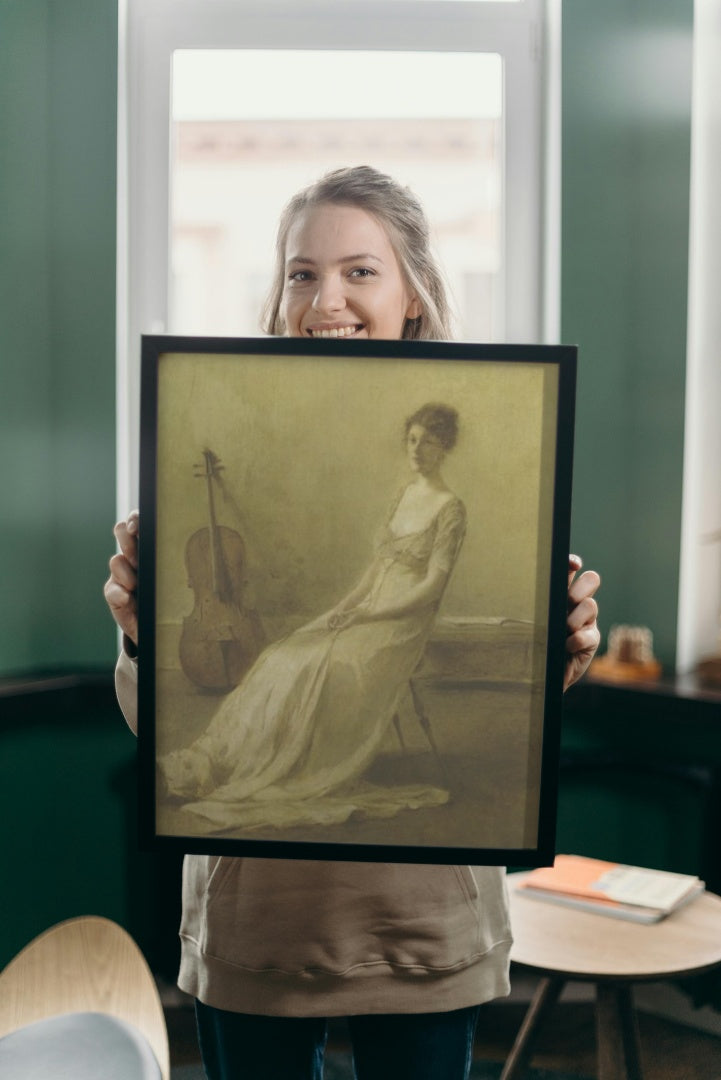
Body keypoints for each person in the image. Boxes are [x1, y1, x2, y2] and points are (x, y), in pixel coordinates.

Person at [105, 166, 601, 1080]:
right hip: (255, 922)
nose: (324, 298)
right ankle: (241, 763)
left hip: (420, 923)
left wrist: (561, 648)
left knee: (322, 664)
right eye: (301, 272)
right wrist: (138, 635)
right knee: (287, 659)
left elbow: (414, 598)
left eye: (359, 271)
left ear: (412, 292)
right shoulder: (202, 414)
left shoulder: (474, 468)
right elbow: (154, 715)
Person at [159, 401, 466, 833]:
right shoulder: (405, 494)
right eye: (412, 440)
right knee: (283, 655)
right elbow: (376, 570)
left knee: (323, 665)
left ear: (444, 448)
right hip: (367, 609)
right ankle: (219, 761)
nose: (417, 450)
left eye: (429, 443)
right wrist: (343, 609)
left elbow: (431, 588)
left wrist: (373, 613)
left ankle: (288, 763)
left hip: (401, 622)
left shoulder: (450, 508)